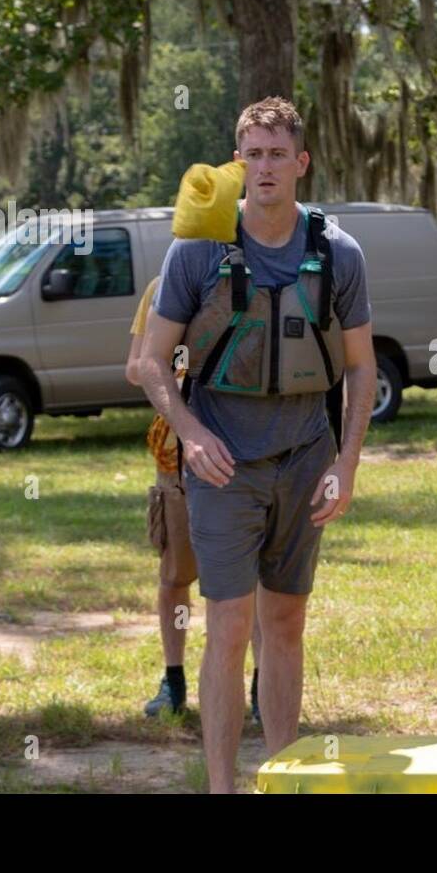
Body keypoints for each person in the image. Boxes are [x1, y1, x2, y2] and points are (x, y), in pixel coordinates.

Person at [137, 97, 377, 793]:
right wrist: (190, 431)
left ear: (301, 163)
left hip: (304, 453)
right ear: (236, 161)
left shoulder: (337, 252)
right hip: (222, 463)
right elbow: (152, 361)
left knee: (286, 622)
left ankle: (283, 775)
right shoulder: (200, 247)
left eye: (277, 154)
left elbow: (361, 367)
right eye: (253, 153)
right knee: (230, 624)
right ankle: (222, 785)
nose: (264, 166)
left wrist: (346, 463)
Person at [125, 275, 263, 722]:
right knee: (176, 573)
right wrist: (177, 370)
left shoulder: (254, 280)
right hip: (180, 457)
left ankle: (264, 686)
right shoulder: (163, 288)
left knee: (257, 579)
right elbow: (135, 366)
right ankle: (175, 680)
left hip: (249, 451)